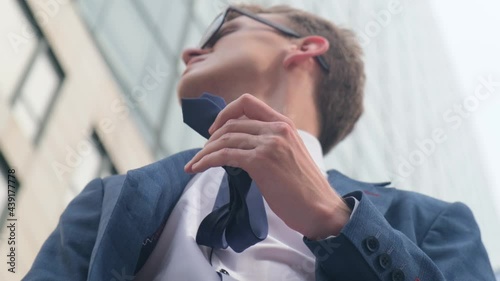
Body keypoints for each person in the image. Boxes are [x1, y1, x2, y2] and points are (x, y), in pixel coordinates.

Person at [24, 4, 495, 281]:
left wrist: (334, 221)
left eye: (226, 26)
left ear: (305, 48)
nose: (190, 50)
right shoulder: (107, 198)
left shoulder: (435, 224)